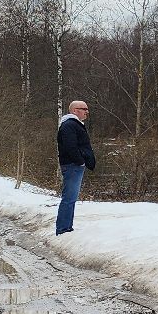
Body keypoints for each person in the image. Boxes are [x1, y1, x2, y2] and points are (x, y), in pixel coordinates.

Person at [55, 100, 95, 235]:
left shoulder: (73, 125)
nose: (86, 112)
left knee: (71, 198)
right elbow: (70, 146)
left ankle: (66, 227)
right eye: (84, 109)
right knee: (69, 198)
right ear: (74, 110)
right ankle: (63, 229)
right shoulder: (69, 125)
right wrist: (80, 161)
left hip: (74, 165)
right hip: (72, 165)